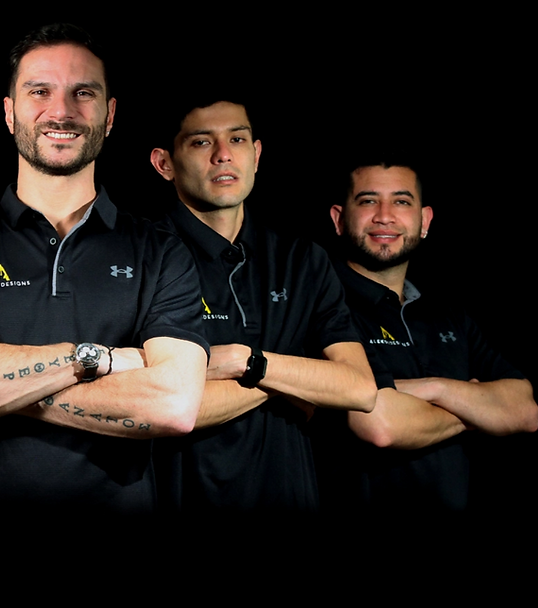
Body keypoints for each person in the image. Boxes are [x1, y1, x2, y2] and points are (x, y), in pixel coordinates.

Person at [0, 23, 209, 513]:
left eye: (82, 92)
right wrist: (100, 359)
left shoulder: (162, 252)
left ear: (110, 115)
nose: (61, 111)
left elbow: (173, 405)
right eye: (39, 91)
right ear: (9, 113)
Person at [148, 97, 377, 511]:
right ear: (164, 163)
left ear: (256, 154)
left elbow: (359, 388)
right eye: (201, 142)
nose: (223, 155)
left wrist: (247, 362)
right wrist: (292, 382)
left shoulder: (302, 260)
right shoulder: (142, 253)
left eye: (237, 139)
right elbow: (162, 404)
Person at [325, 160, 538, 509]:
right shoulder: (324, 305)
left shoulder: (447, 315)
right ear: (338, 219)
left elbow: (525, 411)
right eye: (368, 201)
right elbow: (381, 425)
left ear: (424, 221)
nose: (384, 216)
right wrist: (475, 408)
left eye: (401, 201)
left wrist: (435, 388)